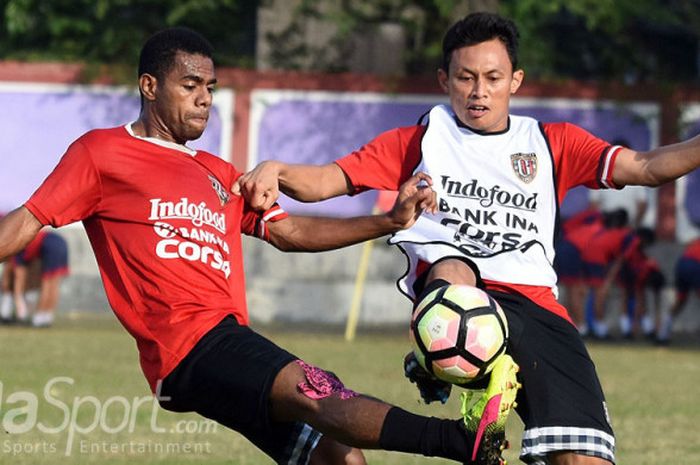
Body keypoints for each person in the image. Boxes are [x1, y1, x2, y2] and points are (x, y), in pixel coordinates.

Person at [0, 27, 520, 465]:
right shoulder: (102, 152)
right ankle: (462, 442)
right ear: (149, 86)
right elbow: (27, 221)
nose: (205, 97)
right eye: (190, 85)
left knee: (336, 455)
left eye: (210, 86)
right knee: (319, 389)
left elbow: (290, 233)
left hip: (225, 341)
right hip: (188, 347)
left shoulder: (219, 174)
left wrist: (387, 220)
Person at [235, 12, 700, 465]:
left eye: (493, 77)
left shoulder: (551, 143)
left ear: (515, 80)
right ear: (444, 79)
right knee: (454, 268)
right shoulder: (418, 142)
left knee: (582, 456)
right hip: (457, 294)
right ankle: (447, 354)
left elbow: (645, 167)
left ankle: (448, 367)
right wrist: (276, 169)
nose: (479, 91)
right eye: (465, 77)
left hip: (536, 305)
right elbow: (326, 180)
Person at [11, 229, 69, 327]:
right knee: (54, 284)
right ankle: (46, 316)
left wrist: (18, 300)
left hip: (50, 244)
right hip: (61, 242)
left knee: (47, 284)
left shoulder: (17, 249)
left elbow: (18, 277)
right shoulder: (24, 242)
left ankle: (38, 319)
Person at [656, 237, 700, 344]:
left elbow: (688, 245)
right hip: (696, 265)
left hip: (682, 263)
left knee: (680, 301)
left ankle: (662, 334)